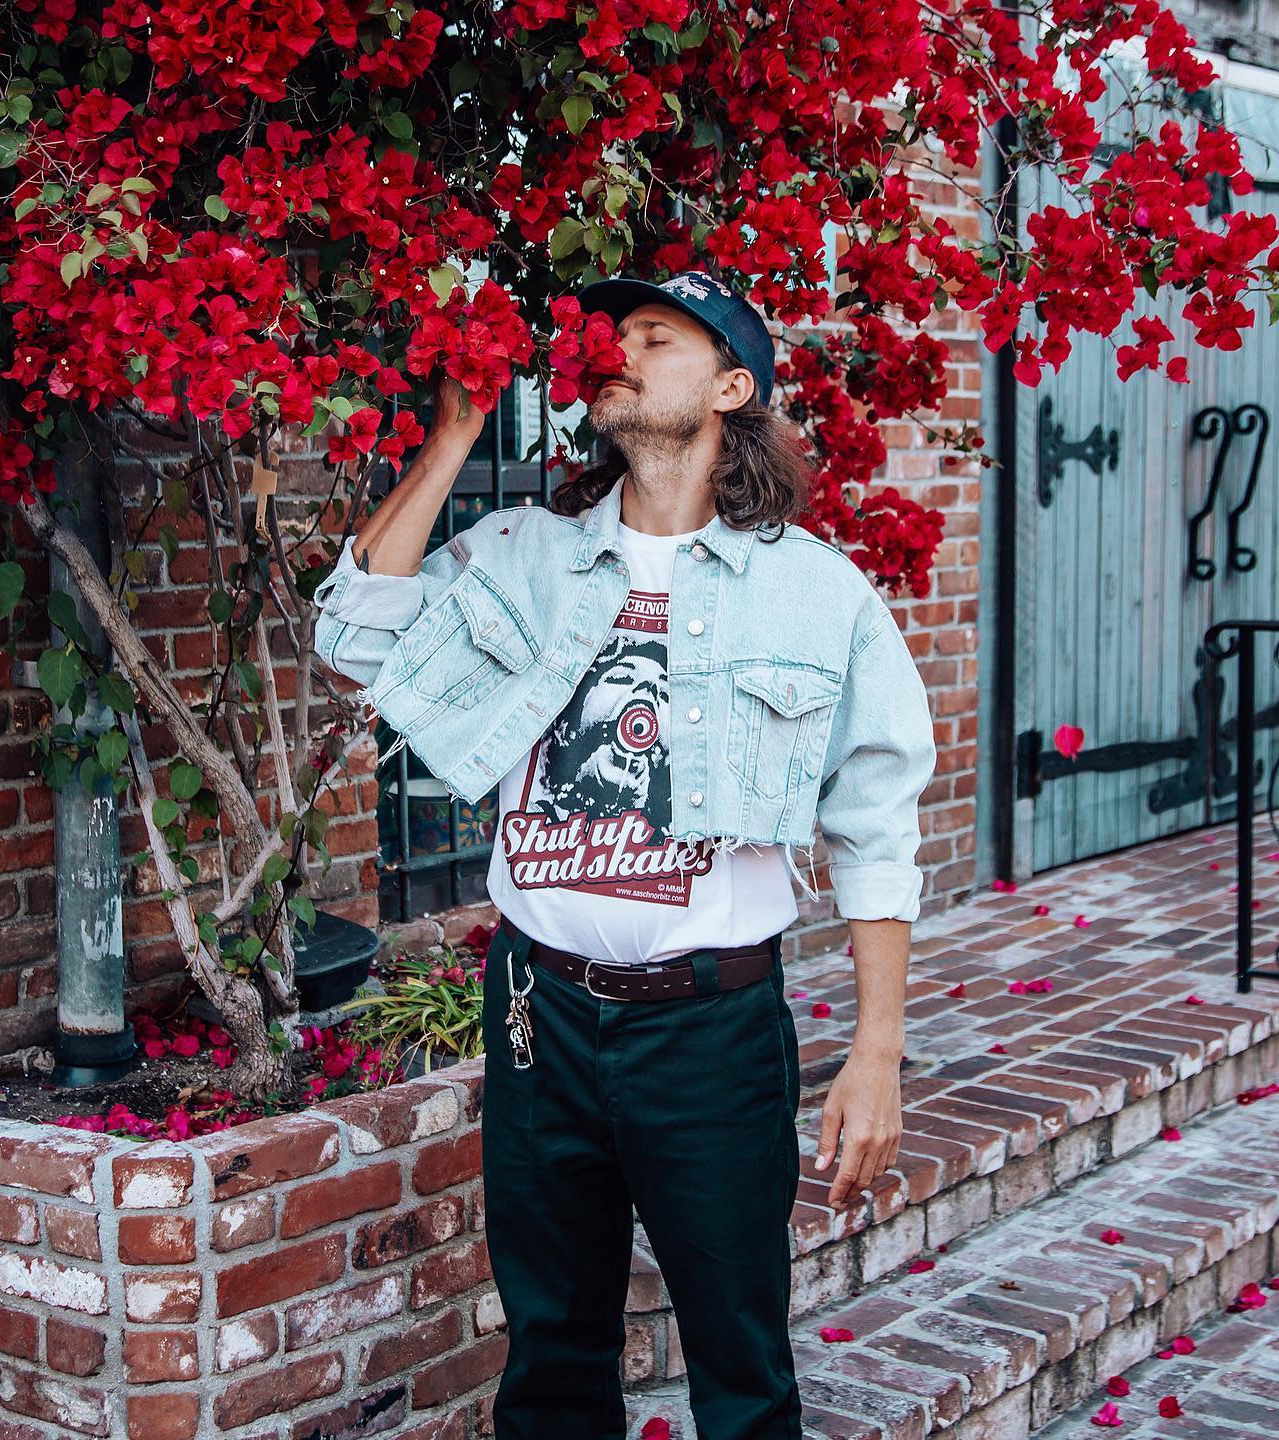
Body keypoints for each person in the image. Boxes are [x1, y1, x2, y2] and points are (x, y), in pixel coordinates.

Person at [313, 269, 937, 1439]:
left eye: (657, 338)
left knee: (741, 1367)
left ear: (731, 388)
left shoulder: (817, 593)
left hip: (712, 1031)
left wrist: (877, 1053)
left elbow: (877, 825)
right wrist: (453, 439)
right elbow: (351, 634)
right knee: (551, 1359)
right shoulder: (522, 552)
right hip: (536, 1011)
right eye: (618, 334)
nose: (622, 350)